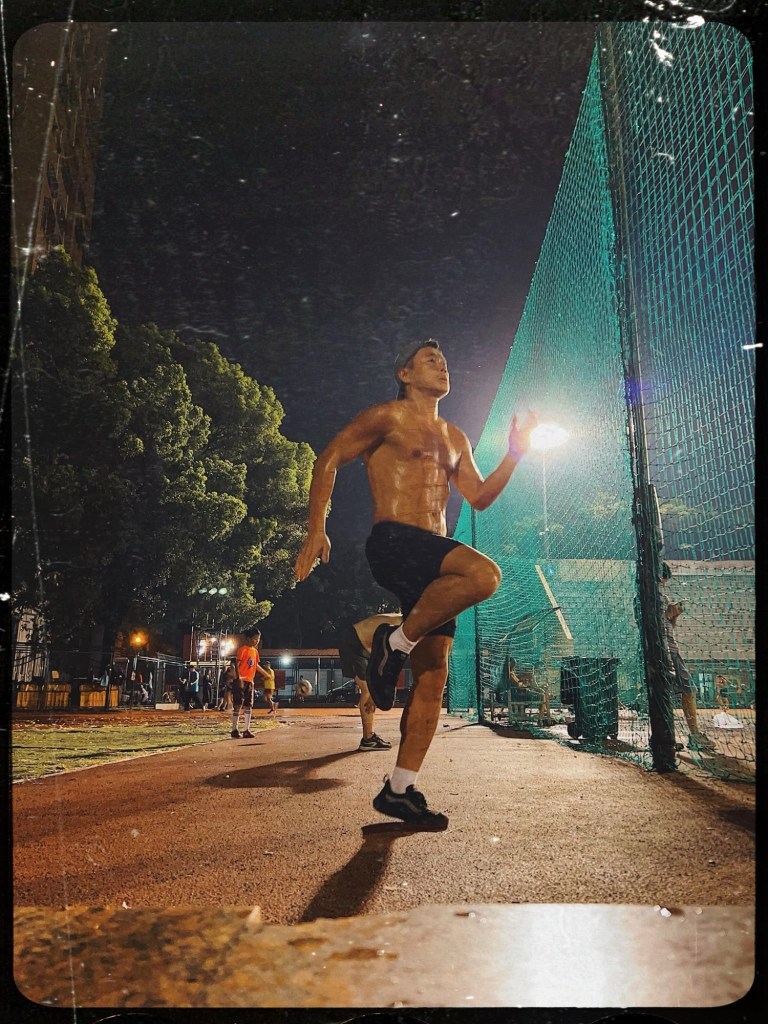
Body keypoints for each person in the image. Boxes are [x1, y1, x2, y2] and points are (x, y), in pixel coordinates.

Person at [294, 338, 537, 829]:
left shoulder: (456, 437)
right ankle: (394, 643)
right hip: (395, 541)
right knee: (485, 575)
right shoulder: (387, 416)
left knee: (432, 677)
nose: (442, 366)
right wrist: (316, 527)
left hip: (433, 559)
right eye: (430, 360)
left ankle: (399, 789)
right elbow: (329, 457)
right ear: (404, 374)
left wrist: (515, 453)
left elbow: (479, 496)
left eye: (445, 361)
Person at [660, 562, 714, 752]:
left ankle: (666, 737)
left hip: (658, 650)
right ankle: (694, 735)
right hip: (668, 650)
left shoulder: (644, 597)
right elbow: (662, 624)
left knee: (662, 693)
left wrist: (672, 615)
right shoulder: (660, 596)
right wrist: (670, 613)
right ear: (663, 577)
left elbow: (665, 623)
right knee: (688, 689)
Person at [338, 613, 402, 751]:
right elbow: (389, 662)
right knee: (368, 690)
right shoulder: (400, 628)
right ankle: (368, 740)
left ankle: (369, 737)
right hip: (354, 643)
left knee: (372, 689)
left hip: (365, 647)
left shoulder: (407, 623)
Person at [231, 630, 270, 738]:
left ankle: (246, 730)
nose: (256, 641)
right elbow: (237, 664)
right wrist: (238, 678)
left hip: (249, 681)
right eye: (254, 639)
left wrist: (265, 673)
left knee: (249, 705)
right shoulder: (242, 649)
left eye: (258, 639)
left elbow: (256, 665)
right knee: (238, 704)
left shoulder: (255, 651)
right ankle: (234, 729)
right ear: (248, 638)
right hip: (241, 681)